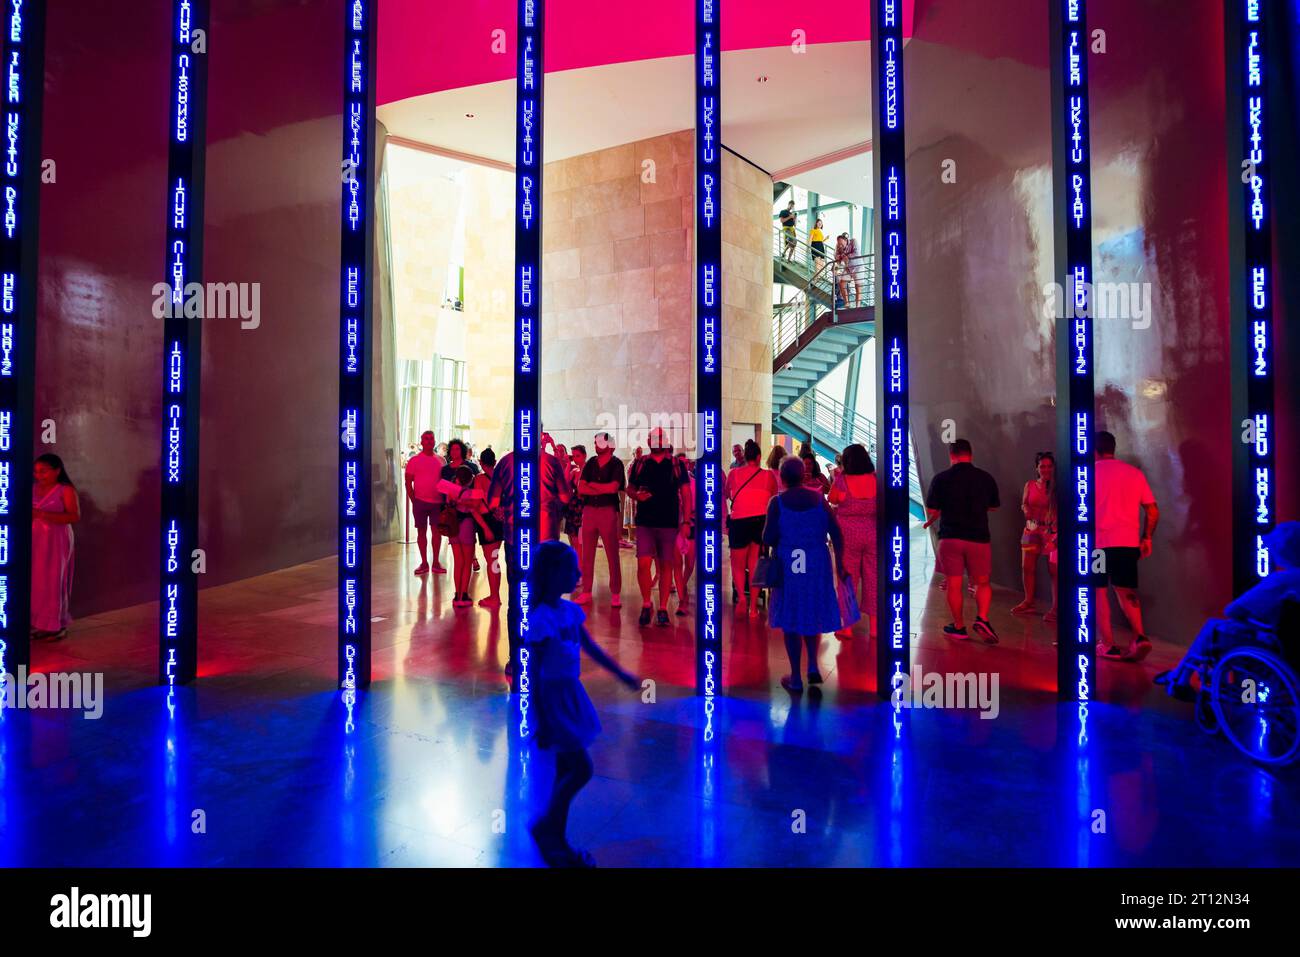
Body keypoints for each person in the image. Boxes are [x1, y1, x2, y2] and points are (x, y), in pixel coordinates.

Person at [526, 540, 639, 867]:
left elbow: (591, 649)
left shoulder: (569, 612)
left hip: (570, 695)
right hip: (555, 700)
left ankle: (556, 841)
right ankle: (547, 826)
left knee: (566, 770)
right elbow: (533, 676)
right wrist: (543, 719)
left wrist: (621, 674)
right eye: (571, 569)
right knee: (581, 768)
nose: (578, 574)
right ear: (552, 575)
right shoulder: (542, 620)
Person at [1161, 522, 1300, 698]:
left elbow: (1233, 611)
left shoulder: (1281, 581)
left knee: (1215, 626)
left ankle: (1181, 677)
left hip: (1277, 648)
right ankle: (1181, 676)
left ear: (1281, 550)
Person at [764, 455, 845, 694]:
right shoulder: (820, 500)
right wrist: (839, 564)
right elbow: (836, 533)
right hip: (816, 563)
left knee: (791, 617)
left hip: (789, 564)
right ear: (803, 475)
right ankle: (812, 665)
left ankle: (796, 678)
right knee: (812, 612)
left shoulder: (776, 503)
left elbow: (767, 537)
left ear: (781, 476)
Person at [925, 438, 1001, 643]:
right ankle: (982, 619)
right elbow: (994, 506)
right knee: (983, 583)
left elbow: (932, 509)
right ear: (971, 454)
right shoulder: (985, 478)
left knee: (954, 584)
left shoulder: (940, 479)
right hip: (978, 538)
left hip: (950, 538)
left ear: (951, 455)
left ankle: (959, 627)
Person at [1094, 430, 1159, 662]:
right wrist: (1146, 538)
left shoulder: (1087, 473)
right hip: (1127, 543)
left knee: (1098, 591)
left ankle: (1107, 644)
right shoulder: (1134, 473)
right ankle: (1140, 636)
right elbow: (1152, 511)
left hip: (1098, 545)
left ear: (1094, 450)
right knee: (1126, 591)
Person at [626, 427, 691, 626]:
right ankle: (647, 603)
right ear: (648, 441)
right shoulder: (640, 463)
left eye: (660, 438)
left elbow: (686, 494)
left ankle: (662, 607)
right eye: (653, 437)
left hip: (669, 522)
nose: (656, 441)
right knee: (643, 564)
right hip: (645, 521)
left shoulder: (676, 464)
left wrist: (686, 522)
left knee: (666, 565)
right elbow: (630, 488)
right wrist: (636, 495)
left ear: (666, 441)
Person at [725, 439, 778, 618]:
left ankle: (741, 597)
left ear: (745, 457)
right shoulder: (769, 476)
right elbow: (773, 497)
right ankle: (753, 607)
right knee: (754, 563)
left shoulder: (733, 473)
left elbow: (727, 493)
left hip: (739, 520)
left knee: (738, 564)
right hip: (760, 521)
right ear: (759, 456)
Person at [829, 443, 877, 639]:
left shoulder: (843, 480)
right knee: (873, 579)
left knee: (847, 578)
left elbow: (833, 498)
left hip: (848, 534)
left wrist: (836, 478)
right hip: (872, 532)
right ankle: (875, 628)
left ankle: (847, 627)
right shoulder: (876, 478)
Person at [574, 434, 626, 608]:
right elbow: (581, 487)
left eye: (600, 442)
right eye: (595, 442)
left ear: (609, 445)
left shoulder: (616, 463)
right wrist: (600, 489)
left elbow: (614, 488)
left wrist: (593, 487)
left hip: (607, 511)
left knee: (612, 553)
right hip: (589, 511)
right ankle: (587, 591)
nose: (596, 445)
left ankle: (615, 592)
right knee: (587, 553)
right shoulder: (590, 462)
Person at [31, 453, 80, 640]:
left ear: (57, 471)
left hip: (57, 540)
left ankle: (56, 625)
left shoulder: (65, 490)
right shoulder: (34, 488)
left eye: (43, 471)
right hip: (36, 539)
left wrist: (42, 514)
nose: (39, 475)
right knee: (37, 580)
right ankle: (39, 624)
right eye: (36, 471)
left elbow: (74, 516)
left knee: (53, 580)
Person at [1011, 452, 1059, 622]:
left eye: (1049, 466)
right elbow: (1024, 503)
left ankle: (1056, 608)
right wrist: (1025, 510)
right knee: (1027, 567)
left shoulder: (1057, 488)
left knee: (1054, 571)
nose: (1046, 469)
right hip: (1031, 530)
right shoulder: (1030, 485)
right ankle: (1029, 601)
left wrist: (1053, 528)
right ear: (1037, 468)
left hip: (1050, 533)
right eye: (1042, 466)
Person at [442, 440, 479, 608]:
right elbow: (476, 506)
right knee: (467, 561)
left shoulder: (450, 488)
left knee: (458, 561)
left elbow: (445, 500)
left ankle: (457, 594)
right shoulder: (471, 491)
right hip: (467, 524)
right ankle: (464, 594)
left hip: (453, 525)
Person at [404, 430, 447, 576]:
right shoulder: (414, 460)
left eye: (431, 439)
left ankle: (435, 562)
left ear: (434, 442)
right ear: (421, 442)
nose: (429, 441)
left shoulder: (441, 461)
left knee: (436, 533)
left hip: (437, 503)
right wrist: (413, 500)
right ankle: (424, 562)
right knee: (421, 532)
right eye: (426, 439)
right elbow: (408, 482)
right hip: (420, 502)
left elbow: (445, 482)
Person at [473, 448, 503, 608]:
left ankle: (494, 596)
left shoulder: (479, 479)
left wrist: (484, 528)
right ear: (495, 461)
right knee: (495, 559)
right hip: (502, 519)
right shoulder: (502, 477)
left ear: (481, 463)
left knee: (492, 560)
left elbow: (477, 505)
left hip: (487, 521)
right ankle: (495, 595)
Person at [563, 444, 587, 590]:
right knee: (573, 541)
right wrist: (567, 464)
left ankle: (581, 574)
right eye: (574, 456)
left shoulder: (587, 470)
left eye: (578, 456)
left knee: (579, 543)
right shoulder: (574, 470)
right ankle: (576, 571)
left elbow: (581, 488)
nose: (576, 459)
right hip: (573, 507)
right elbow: (565, 482)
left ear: (584, 455)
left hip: (583, 508)